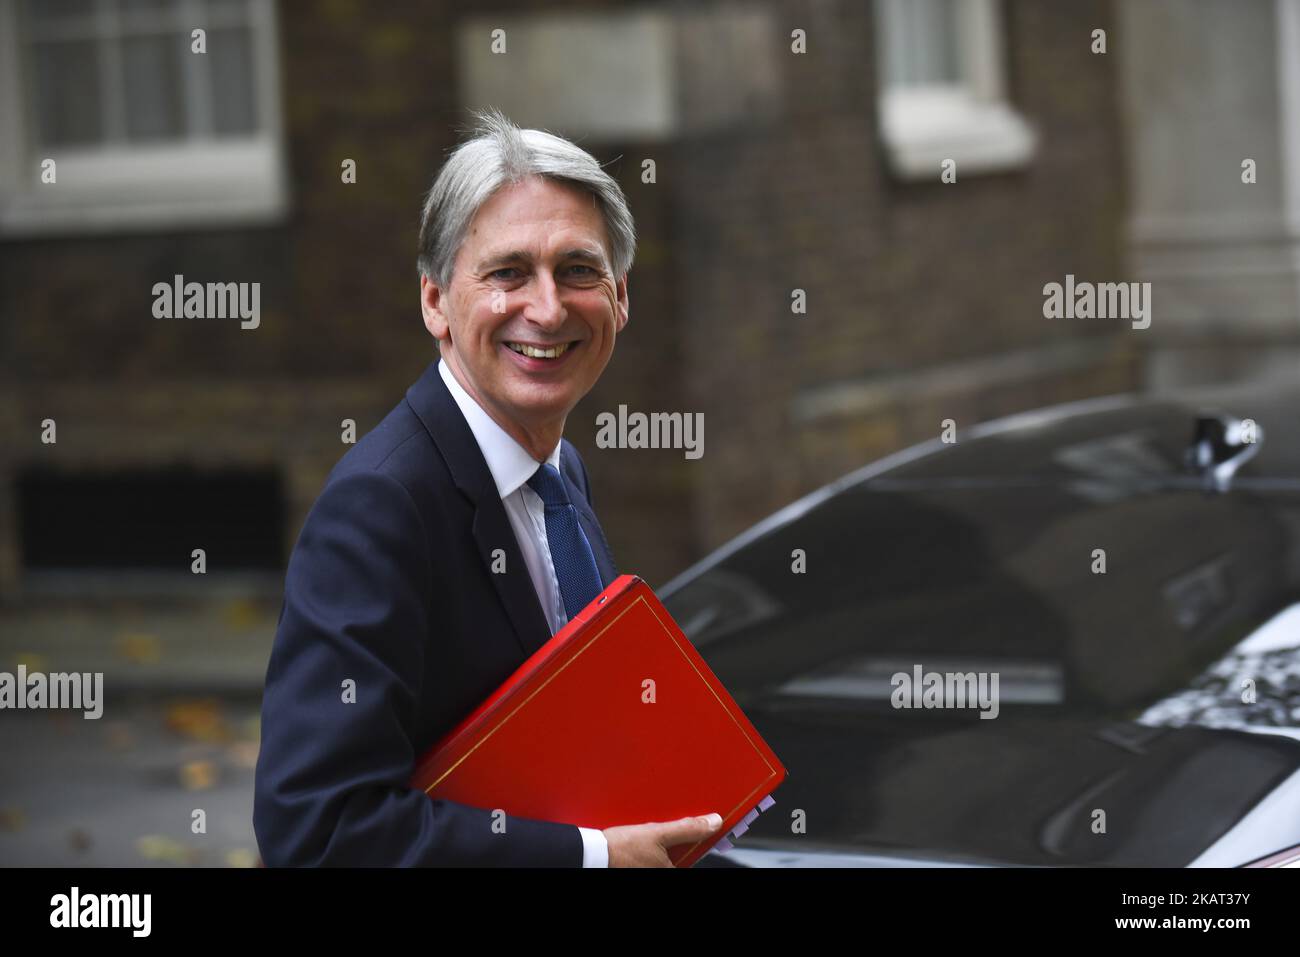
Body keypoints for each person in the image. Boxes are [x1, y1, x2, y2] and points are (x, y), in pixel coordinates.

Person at [253, 108, 723, 866]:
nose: (546, 308)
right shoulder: (378, 507)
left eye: (578, 270)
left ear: (621, 296)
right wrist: (591, 859)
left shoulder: (560, 474)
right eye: (508, 273)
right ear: (435, 301)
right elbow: (320, 830)